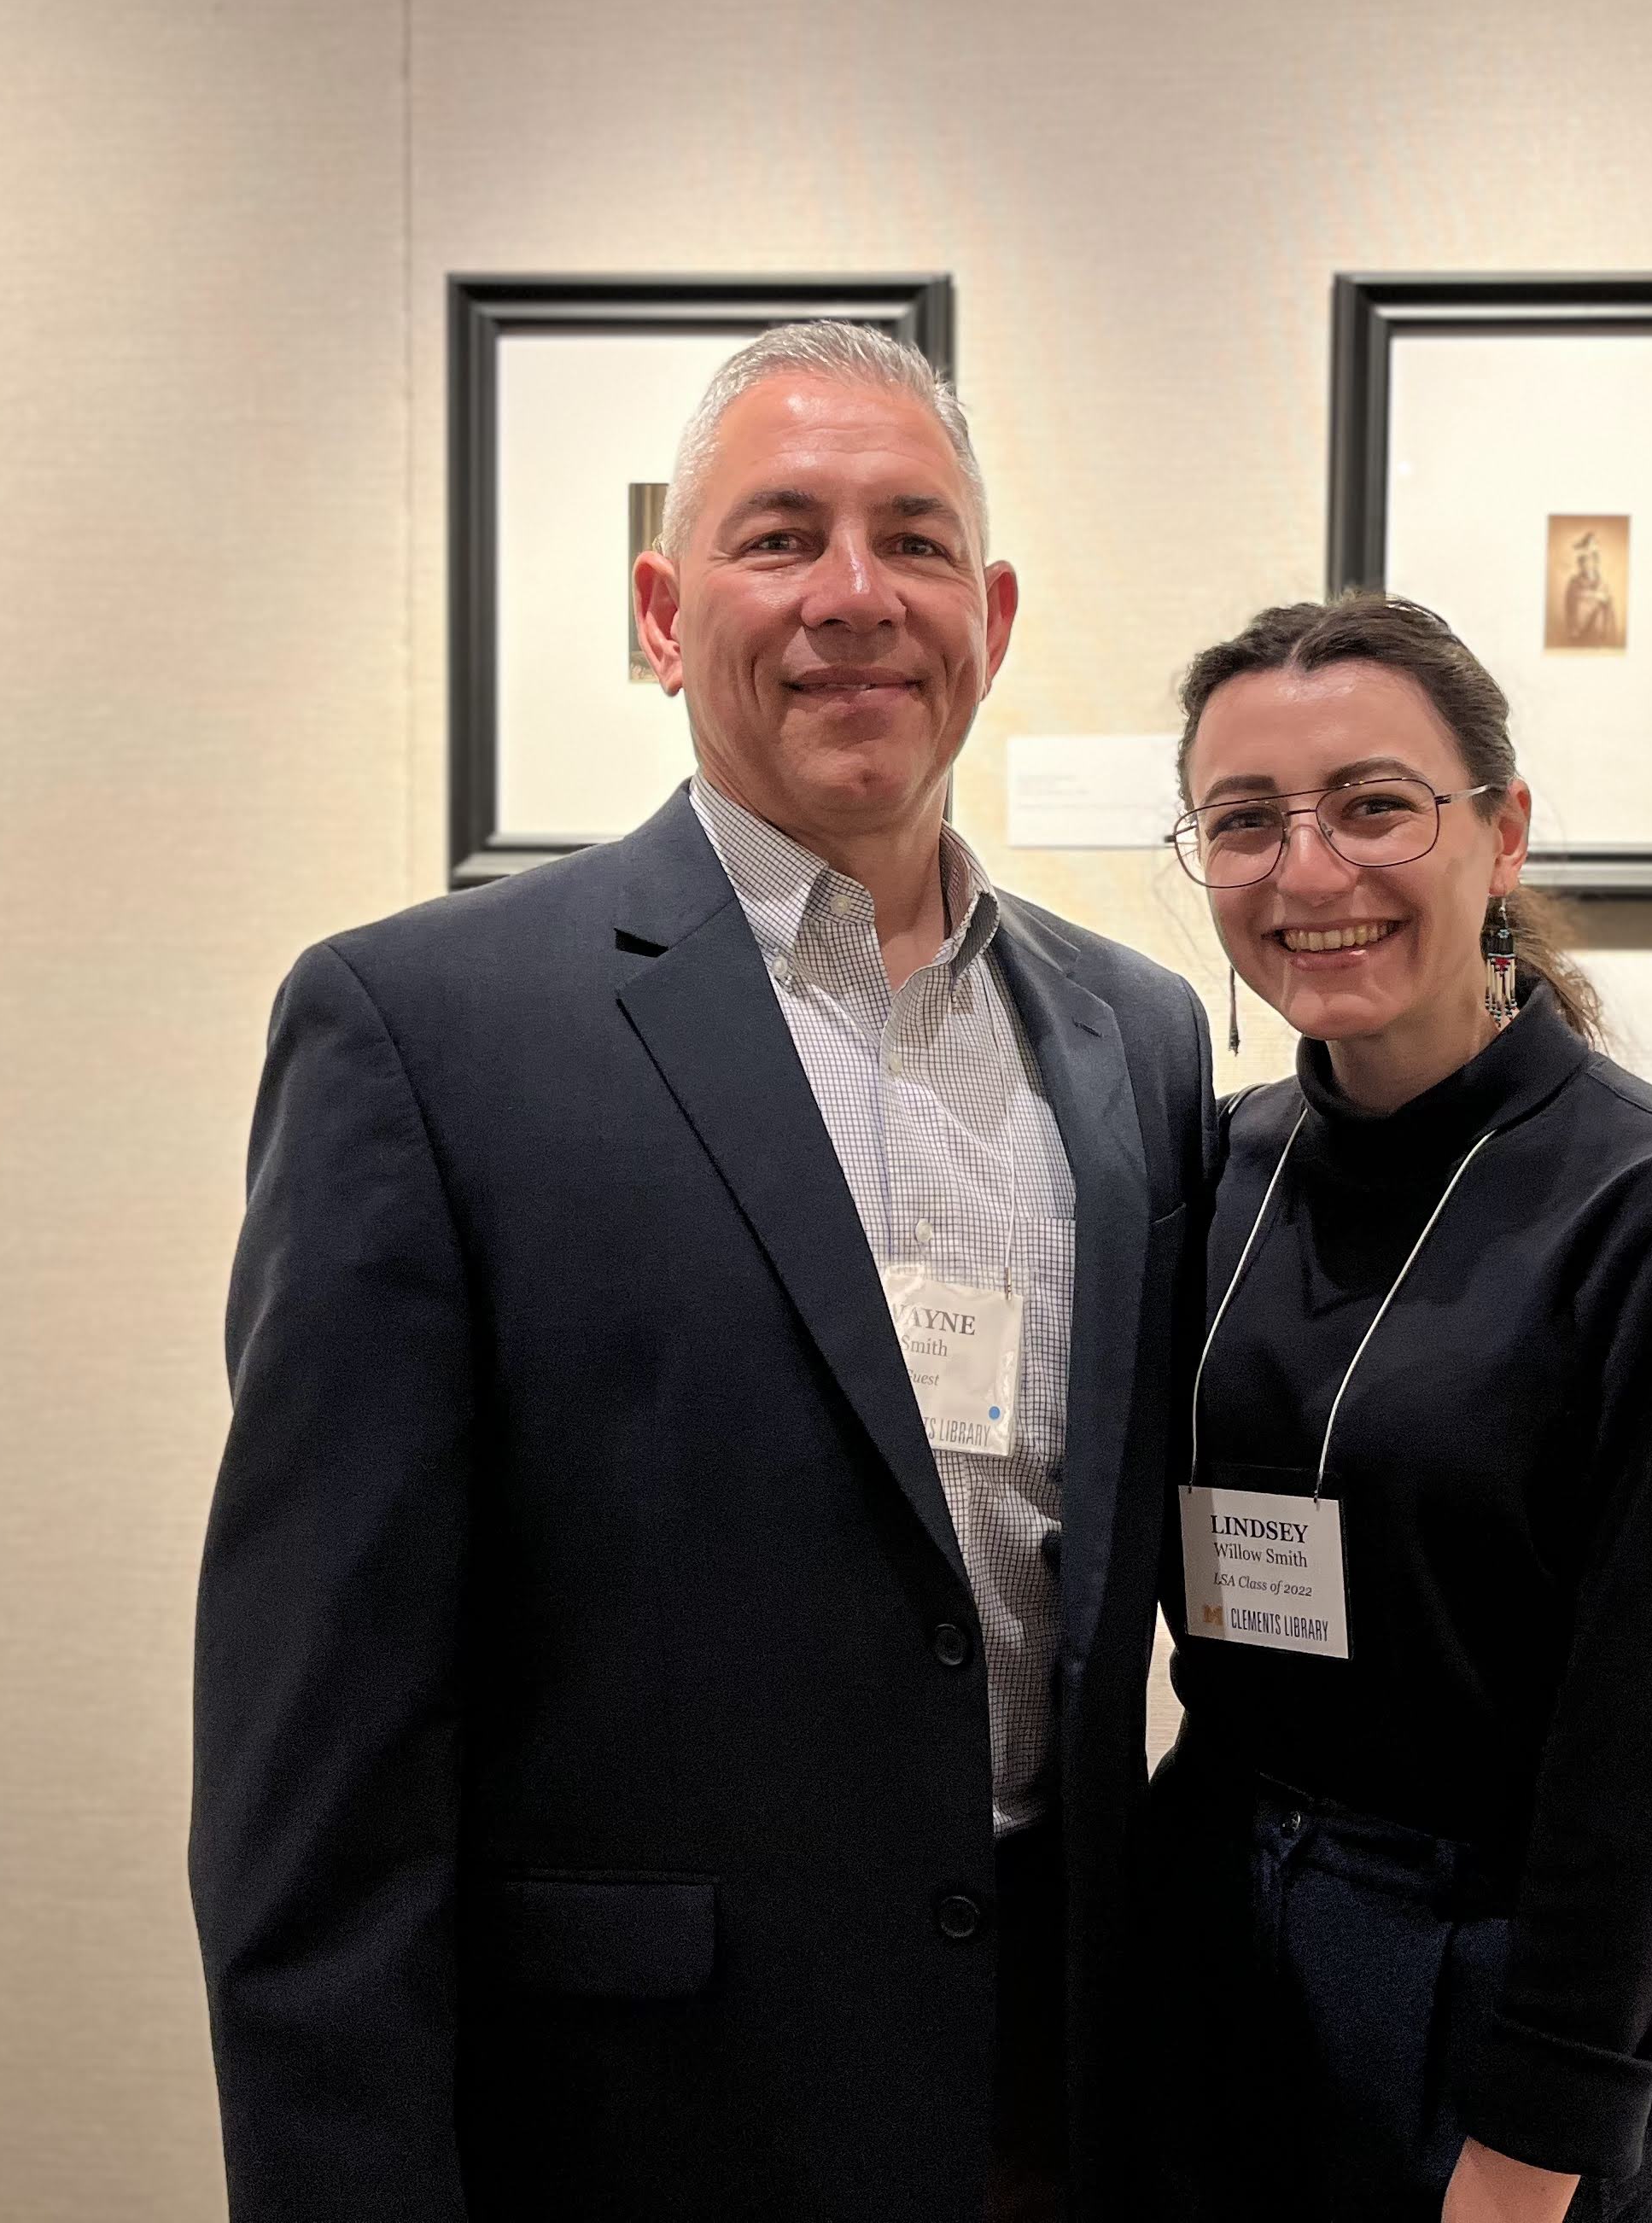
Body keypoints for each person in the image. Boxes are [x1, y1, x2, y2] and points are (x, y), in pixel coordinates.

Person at [190, 324, 1211, 2221]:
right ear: (663, 613)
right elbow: (315, 1764)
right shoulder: (423, 1035)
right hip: (634, 2126)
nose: (854, 598)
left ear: (988, 613)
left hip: (1048, 2117)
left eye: (913, 541)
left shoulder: (1134, 1036)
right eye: (779, 538)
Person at [1150, 595, 1652, 2223]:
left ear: (1502, 834)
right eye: (1247, 822)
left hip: (1477, 1975)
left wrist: (1539, 2139)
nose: (1310, 874)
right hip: (1200, 1932)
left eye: (1376, 806)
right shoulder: (1209, 1167)